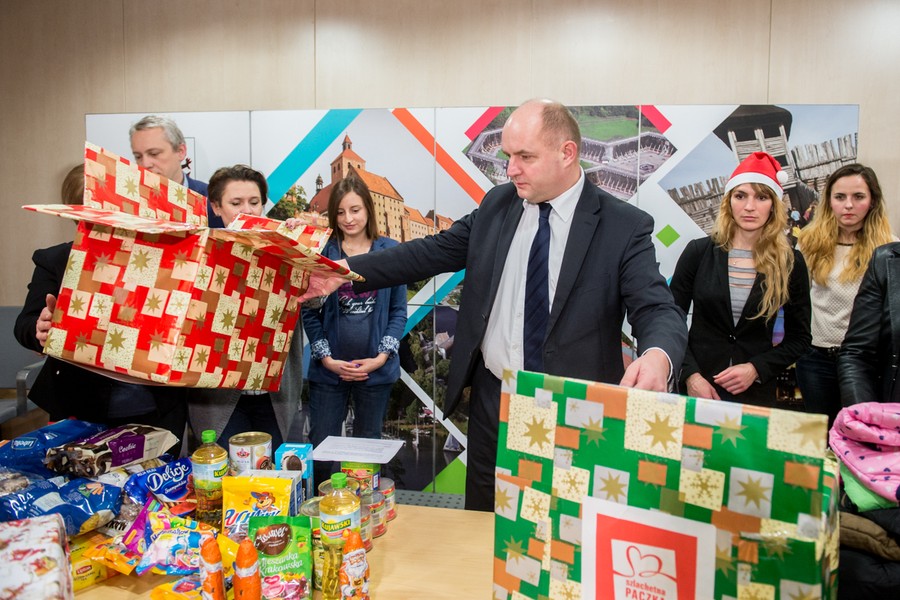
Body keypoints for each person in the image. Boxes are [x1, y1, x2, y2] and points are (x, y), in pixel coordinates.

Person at [303, 99, 687, 511]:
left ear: (567, 153)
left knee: (565, 521)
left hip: (574, 411)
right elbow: (426, 254)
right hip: (494, 400)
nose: (510, 169)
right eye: (507, 156)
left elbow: (655, 307)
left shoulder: (622, 225)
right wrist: (341, 271)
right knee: (484, 521)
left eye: (525, 157)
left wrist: (658, 356)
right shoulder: (497, 206)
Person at [14, 164, 187, 441]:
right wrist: (41, 328)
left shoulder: (160, 259)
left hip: (154, 403)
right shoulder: (56, 260)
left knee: (155, 469)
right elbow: (25, 324)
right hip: (78, 404)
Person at [670, 152, 811, 407]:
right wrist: (690, 375)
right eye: (740, 196)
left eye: (761, 197)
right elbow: (669, 321)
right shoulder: (698, 252)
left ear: (773, 205)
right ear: (729, 202)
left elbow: (799, 339)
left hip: (755, 395)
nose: (749, 206)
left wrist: (756, 368)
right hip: (698, 389)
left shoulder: (790, 262)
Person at [299, 175, 407, 486]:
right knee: (321, 445)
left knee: (367, 447)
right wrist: (327, 359)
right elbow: (310, 309)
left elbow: (398, 311)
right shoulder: (323, 252)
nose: (348, 218)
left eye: (355, 210)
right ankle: (320, 503)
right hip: (329, 372)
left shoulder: (390, 251)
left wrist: (381, 358)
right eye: (341, 212)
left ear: (369, 210)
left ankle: (365, 507)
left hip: (375, 371)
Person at [186, 165, 301, 448]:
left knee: (270, 471)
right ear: (216, 207)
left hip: (273, 394)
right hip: (217, 395)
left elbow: (316, 301)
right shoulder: (199, 250)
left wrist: (302, 250)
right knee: (221, 469)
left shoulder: (284, 247)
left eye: (254, 202)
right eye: (236, 203)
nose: (247, 211)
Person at [796, 164, 893, 425]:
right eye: (840, 197)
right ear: (829, 201)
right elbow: (798, 303)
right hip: (816, 358)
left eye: (858, 196)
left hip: (868, 361)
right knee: (820, 435)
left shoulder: (889, 249)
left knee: (865, 434)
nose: (848, 205)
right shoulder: (808, 242)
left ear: (872, 201)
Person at [129, 115, 223, 228]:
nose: (145, 164)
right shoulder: (128, 201)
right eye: (138, 157)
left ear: (180, 151)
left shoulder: (211, 200)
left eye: (154, 154)